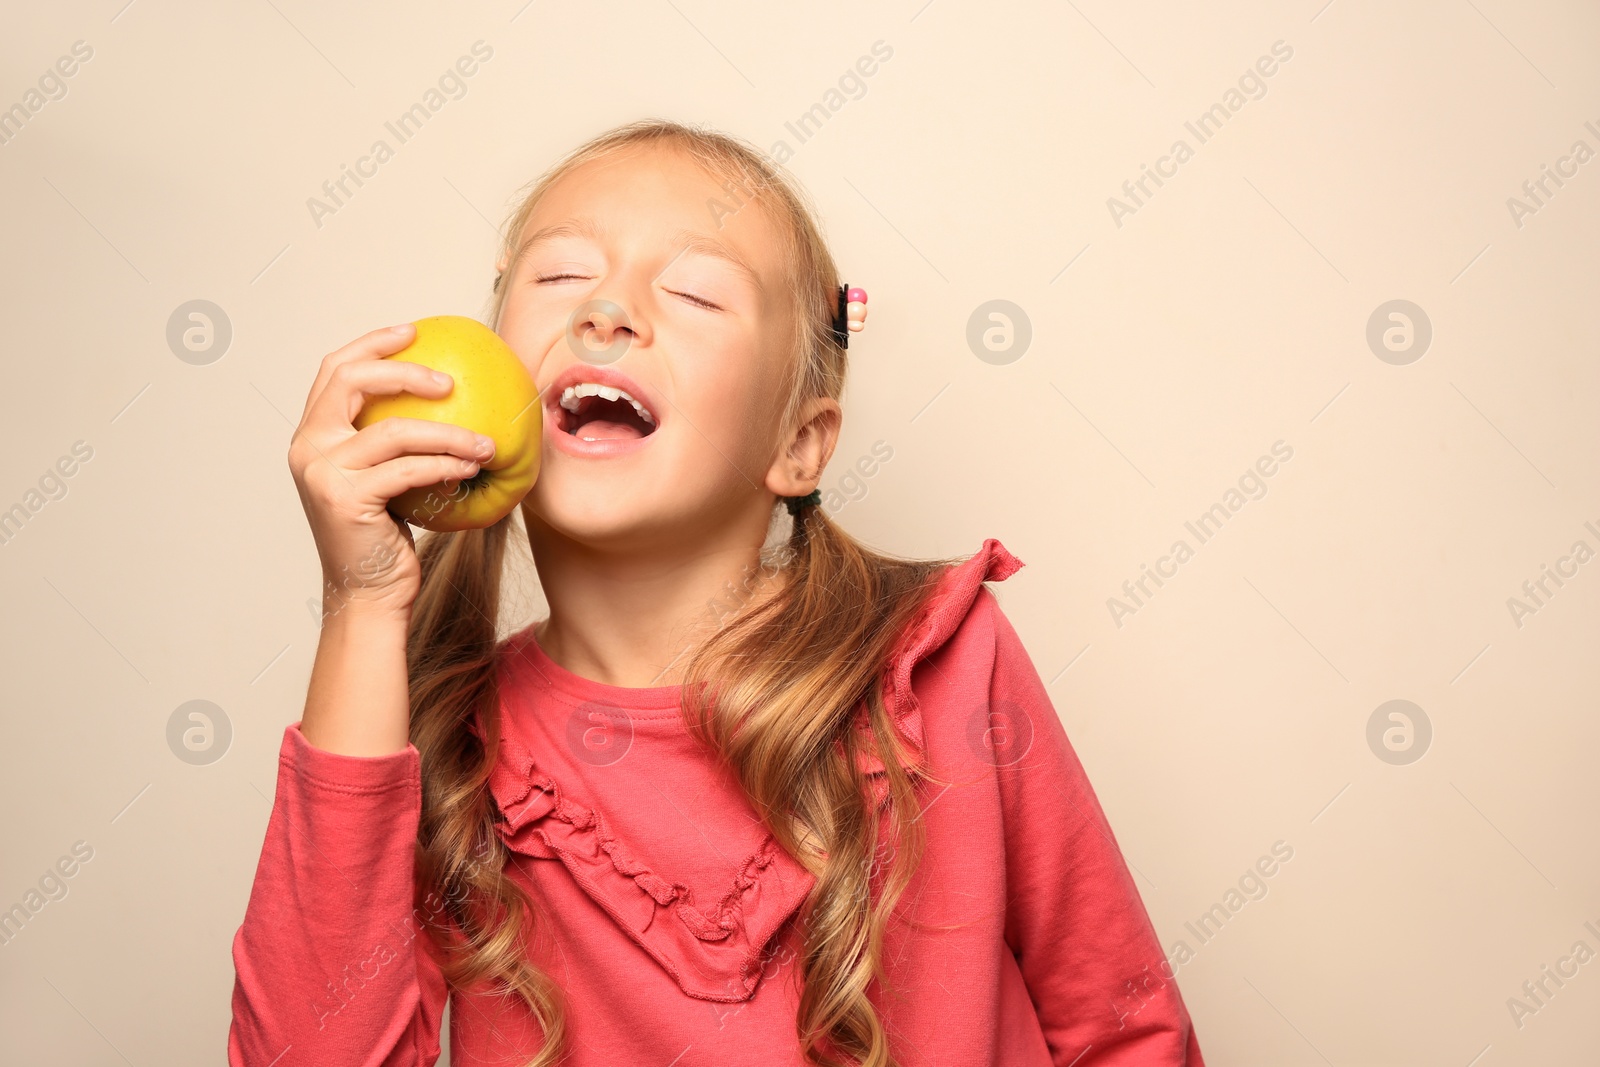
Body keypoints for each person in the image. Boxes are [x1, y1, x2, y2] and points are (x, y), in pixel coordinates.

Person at [229, 119, 1204, 1067]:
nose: (605, 311)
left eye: (695, 293)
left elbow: (1126, 1029)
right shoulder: (450, 746)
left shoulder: (939, 664)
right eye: (560, 274)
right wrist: (359, 608)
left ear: (796, 443)